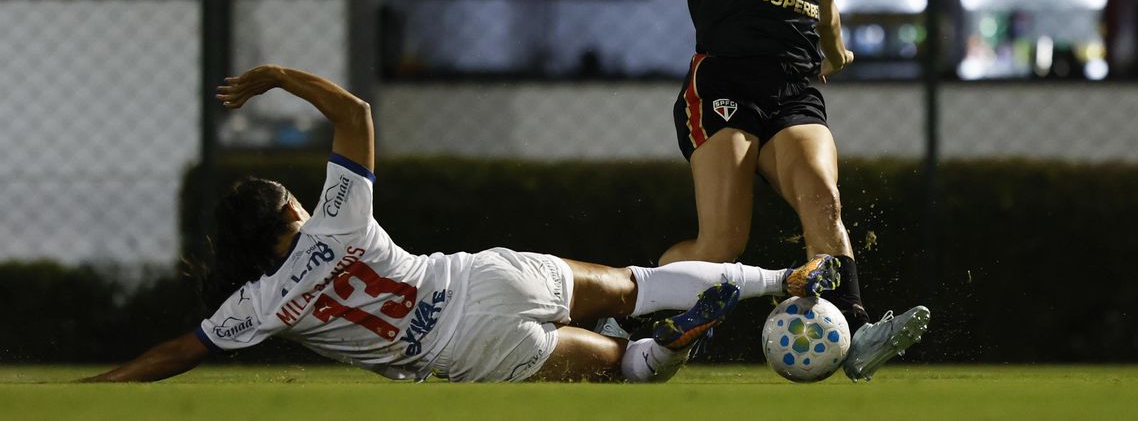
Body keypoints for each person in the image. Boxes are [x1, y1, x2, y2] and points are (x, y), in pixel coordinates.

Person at [84, 64, 841, 384]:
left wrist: (102, 384)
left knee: (625, 369)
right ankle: (781, 278)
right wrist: (278, 77)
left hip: (463, 349)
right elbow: (355, 114)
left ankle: (662, 350)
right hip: (482, 277)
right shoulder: (336, 223)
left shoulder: (258, 306)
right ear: (291, 211)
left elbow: (178, 352)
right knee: (636, 284)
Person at [656, 0, 929, 382]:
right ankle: (632, 310)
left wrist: (836, 50)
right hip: (725, 84)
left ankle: (857, 332)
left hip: (794, 91)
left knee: (823, 198)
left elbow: (825, 7)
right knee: (721, 245)